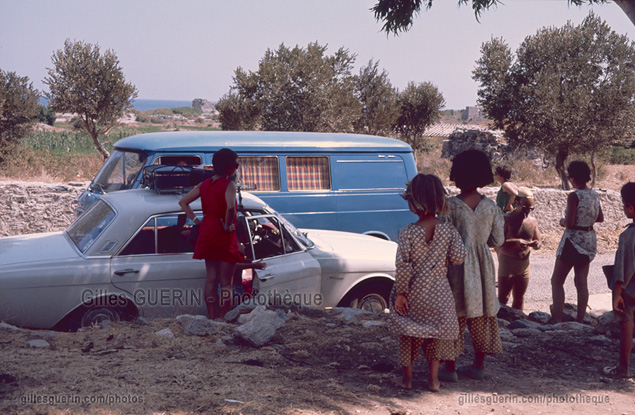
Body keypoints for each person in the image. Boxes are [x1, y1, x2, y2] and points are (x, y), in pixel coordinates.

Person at [389, 174, 466, 392]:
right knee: (436, 337)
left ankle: (407, 380)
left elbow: (403, 266)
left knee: (409, 336)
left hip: (413, 294)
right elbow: (459, 257)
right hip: (440, 293)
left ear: (413, 201)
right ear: (440, 199)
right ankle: (433, 381)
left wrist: (402, 294)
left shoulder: (407, 233)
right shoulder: (449, 230)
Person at [441, 149, 504, 381]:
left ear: (457, 174)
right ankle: (478, 367)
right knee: (482, 316)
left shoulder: (449, 207)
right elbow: (497, 240)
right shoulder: (491, 208)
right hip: (483, 270)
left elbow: (443, 239)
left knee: (454, 316)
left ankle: (450, 368)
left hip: (455, 269)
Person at [179, 148, 244, 320]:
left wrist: (195, 219)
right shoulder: (229, 185)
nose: (237, 167)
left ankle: (212, 317)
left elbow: (183, 202)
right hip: (224, 233)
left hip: (207, 231)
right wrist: (228, 224)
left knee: (211, 278)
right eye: (236, 164)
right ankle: (224, 318)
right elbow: (230, 207)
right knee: (226, 284)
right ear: (229, 167)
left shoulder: (204, 184)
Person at [550, 161, 604, 323]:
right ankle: (580, 320)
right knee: (581, 282)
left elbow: (570, 223)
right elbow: (600, 218)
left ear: (572, 177)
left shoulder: (574, 196)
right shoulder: (594, 194)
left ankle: (557, 320)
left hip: (572, 242)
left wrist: (562, 221)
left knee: (557, 280)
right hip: (588, 240)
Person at [603, 182, 635, 378]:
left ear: (630, 207)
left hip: (630, 292)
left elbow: (621, 271)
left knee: (626, 325)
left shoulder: (627, 236)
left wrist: (616, 295)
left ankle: (623, 368)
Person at [496, 187, 542, 311]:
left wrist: (536, 244)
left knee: (519, 299)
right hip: (507, 263)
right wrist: (516, 241)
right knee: (503, 298)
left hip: (524, 265)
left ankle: (518, 325)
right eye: (525, 207)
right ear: (516, 203)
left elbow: (539, 241)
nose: (527, 211)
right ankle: (501, 326)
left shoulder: (532, 221)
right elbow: (498, 242)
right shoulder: (507, 219)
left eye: (530, 209)